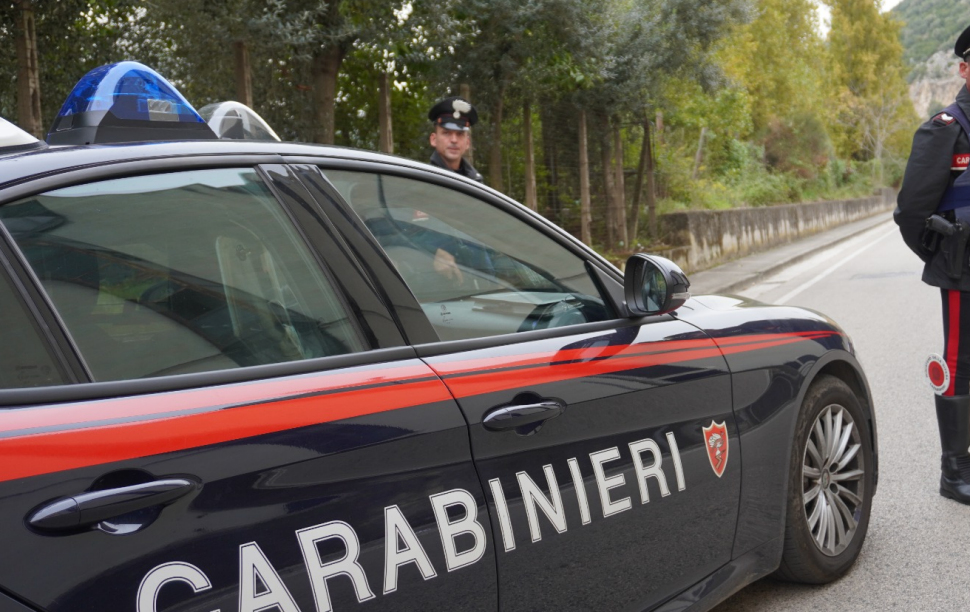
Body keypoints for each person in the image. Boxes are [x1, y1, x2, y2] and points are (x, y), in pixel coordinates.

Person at [896, 24, 970, 505]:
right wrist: (943, 256)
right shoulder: (946, 128)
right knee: (962, 365)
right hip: (965, 270)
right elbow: (911, 211)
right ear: (965, 68)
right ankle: (955, 469)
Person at [428, 96, 483, 183]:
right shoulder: (426, 180)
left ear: (467, 143)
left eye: (460, 134)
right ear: (433, 139)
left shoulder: (475, 181)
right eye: (446, 133)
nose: (454, 140)